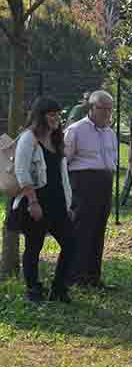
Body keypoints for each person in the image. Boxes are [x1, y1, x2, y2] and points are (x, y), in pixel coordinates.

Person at [7, 97, 76, 303]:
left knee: (71, 243)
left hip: (58, 202)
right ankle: (33, 290)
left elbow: (62, 175)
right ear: (40, 116)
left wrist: (68, 204)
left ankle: (59, 289)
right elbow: (22, 172)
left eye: (58, 115)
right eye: (51, 115)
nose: (56, 119)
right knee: (33, 247)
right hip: (36, 202)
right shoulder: (28, 138)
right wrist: (33, 202)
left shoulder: (56, 138)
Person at [64, 90, 118, 289]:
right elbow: (64, 161)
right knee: (81, 230)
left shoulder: (110, 133)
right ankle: (75, 276)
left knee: (98, 229)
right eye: (102, 109)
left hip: (105, 183)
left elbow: (112, 159)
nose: (106, 113)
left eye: (110, 109)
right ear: (91, 108)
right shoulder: (76, 130)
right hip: (83, 183)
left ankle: (93, 277)